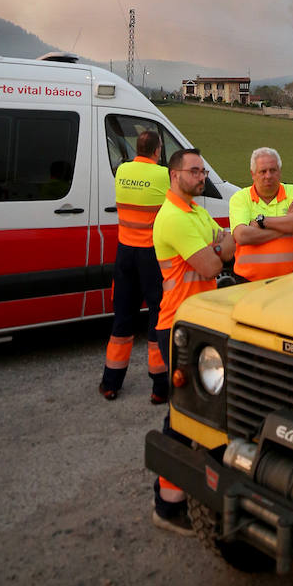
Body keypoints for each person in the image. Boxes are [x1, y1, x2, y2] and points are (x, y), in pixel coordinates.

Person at [151, 146, 235, 535]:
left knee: (200, 411)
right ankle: (167, 506)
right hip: (179, 326)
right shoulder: (173, 217)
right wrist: (220, 249)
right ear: (175, 175)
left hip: (201, 323)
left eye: (203, 172)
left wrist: (220, 247)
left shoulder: (196, 211)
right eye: (194, 172)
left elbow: (224, 244)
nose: (201, 178)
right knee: (183, 416)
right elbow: (214, 262)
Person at [99, 130, 171, 403]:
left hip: (124, 253)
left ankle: (110, 382)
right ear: (157, 150)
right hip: (151, 255)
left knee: (123, 317)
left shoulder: (122, 171)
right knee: (157, 315)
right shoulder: (163, 175)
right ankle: (159, 386)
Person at [228, 147, 293, 281]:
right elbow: (242, 235)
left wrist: (262, 222)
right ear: (253, 174)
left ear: (280, 172)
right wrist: (286, 226)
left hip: (288, 282)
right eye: (263, 171)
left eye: (273, 170)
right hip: (248, 283)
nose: (268, 176)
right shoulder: (241, 198)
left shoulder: (292, 191)